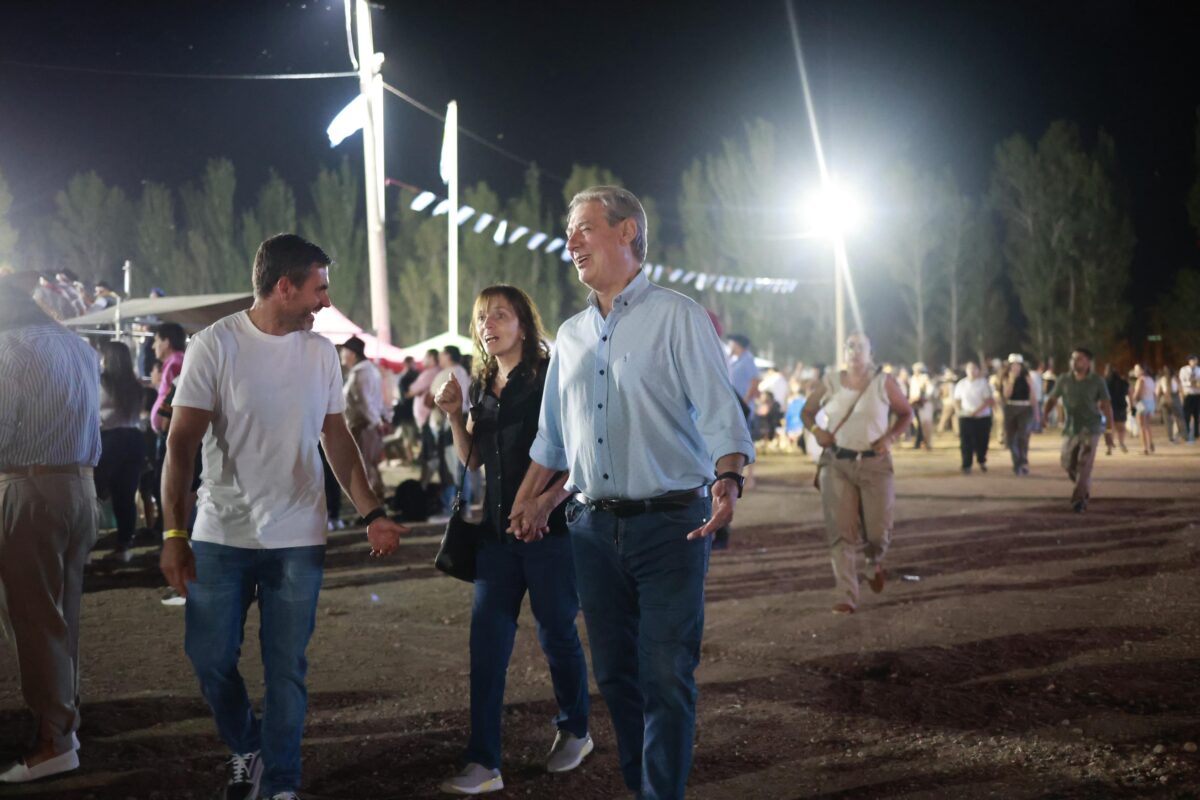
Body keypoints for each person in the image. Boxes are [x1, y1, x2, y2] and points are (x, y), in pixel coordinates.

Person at [507, 186, 753, 800]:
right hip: (591, 532)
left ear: (627, 233)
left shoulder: (678, 316)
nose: (571, 241)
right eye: (569, 231)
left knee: (666, 673)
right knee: (617, 676)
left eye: (584, 227)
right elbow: (553, 440)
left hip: (672, 526)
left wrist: (728, 477)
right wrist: (529, 501)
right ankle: (643, 785)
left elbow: (721, 412)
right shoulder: (570, 336)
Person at [158, 234, 408, 800]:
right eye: (320, 289)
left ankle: (282, 783)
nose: (326, 301)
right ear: (285, 287)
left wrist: (372, 511)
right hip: (221, 533)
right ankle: (247, 746)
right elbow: (181, 444)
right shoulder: (214, 345)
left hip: (297, 536)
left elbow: (336, 437)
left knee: (286, 668)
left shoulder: (320, 354)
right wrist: (174, 533)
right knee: (209, 658)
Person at [434, 285, 592, 795]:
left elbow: (577, 452)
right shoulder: (483, 384)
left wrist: (543, 503)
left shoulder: (550, 376)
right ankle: (483, 761)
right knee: (486, 646)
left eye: (500, 315)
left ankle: (575, 729)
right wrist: (454, 415)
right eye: (482, 317)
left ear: (523, 325)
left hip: (550, 531)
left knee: (556, 633)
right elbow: (475, 459)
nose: (488, 325)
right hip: (496, 539)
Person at [0, 271, 101, 783]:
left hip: (30, 489)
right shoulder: (78, 346)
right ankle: (65, 725)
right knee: (62, 619)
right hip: (80, 488)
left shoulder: (8, 349)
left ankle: (54, 742)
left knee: (35, 621)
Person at [801, 332, 913, 614]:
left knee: (878, 531)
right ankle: (846, 594)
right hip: (836, 463)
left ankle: (874, 561)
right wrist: (816, 431)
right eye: (850, 346)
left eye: (861, 346)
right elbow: (807, 412)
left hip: (875, 465)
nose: (855, 351)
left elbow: (906, 413)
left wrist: (889, 438)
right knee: (841, 531)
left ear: (870, 352)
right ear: (844, 351)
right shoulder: (830, 382)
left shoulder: (883, 382)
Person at [1042, 347, 1114, 513]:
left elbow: (1106, 405)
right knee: (1067, 462)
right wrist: (1045, 415)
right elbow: (1052, 399)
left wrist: (1109, 432)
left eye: (1080, 359)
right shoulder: (1064, 379)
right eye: (1073, 359)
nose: (1075, 362)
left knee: (1085, 464)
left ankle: (1079, 500)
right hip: (1071, 428)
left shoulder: (1097, 381)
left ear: (1088, 362)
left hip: (1091, 428)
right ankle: (1084, 484)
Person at [94, 341, 148, 563]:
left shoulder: (100, 381)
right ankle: (124, 547)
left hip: (109, 440)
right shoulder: (136, 385)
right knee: (125, 496)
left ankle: (86, 548)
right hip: (134, 440)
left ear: (108, 358)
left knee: (95, 494)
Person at [339, 335, 388, 500]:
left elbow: (364, 403)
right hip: (370, 425)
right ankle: (376, 500)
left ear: (352, 354)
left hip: (364, 426)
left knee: (365, 466)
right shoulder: (369, 370)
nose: (341, 355)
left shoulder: (360, 373)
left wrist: (375, 423)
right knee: (369, 465)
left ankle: (371, 504)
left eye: (343, 351)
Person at [954, 361, 994, 474]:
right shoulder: (961, 384)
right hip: (966, 416)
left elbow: (988, 400)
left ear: (978, 370)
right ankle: (966, 464)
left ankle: (981, 459)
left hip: (982, 417)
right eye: (969, 369)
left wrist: (976, 412)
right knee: (966, 441)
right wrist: (959, 411)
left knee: (982, 441)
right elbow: (957, 400)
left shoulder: (983, 383)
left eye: (974, 368)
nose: (972, 371)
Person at [1001, 354, 1037, 475]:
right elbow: (1006, 395)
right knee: (1011, 438)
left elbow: (1033, 395)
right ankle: (1017, 462)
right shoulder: (1006, 377)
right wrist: (1012, 380)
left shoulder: (1027, 377)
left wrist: (1036, 412)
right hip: (1011, 407)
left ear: (1022, 366)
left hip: (1025, 408)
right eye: (1013, 365)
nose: (1016, 367)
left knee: (1023, 436)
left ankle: (1023, 462)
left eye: (1018, 365)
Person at [1103, 363, 1130, 455]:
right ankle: (1121, 443)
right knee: (1121, 428)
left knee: (1109, 428)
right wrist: (1132, 406)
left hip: (1108, 407)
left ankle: (1109, 447)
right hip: (1121, 406)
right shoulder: (1123, 382)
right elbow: (1129, 393)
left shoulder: (1104, 382)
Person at [1131, 364, 1157, 455]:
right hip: (1150, 403)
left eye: (1136, 370)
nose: (1135, 372)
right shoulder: (1150, 379)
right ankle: (1151, 443)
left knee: (1141, 426)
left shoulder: (1141, 380)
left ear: (1142, 370)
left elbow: (1138, 394)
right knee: (1147, 425)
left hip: (1142, 403)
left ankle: (1145, 448)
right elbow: (1154, 393)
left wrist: (1133, 400)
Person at [908, 363, 935, 450]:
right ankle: (921, 442)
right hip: (914, 403)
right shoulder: (912, 379)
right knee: (917, 424)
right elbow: (912, 391)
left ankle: (926, 442)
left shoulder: (925, 378)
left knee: (925, 423)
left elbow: (930, 389)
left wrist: (925, 397)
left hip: (924, 404)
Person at [1158, 365, 1185, 444]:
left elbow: (1158, 392)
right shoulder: (1176, 379)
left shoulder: (1162, 379)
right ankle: (1183, 436)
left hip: (1164, 398)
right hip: (1174, 398)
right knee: (1180, 418)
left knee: (1167, 420)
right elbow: (1181, 390)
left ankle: (1170, 437)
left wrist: (1159, 401)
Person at [1181, 355, 1200, 443]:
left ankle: (1196, 433)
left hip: (1197, 395)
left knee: (1197, 416)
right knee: (1187, 415)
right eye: (1193, 360)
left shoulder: (1199, 370)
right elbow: (1182, 382)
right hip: (1188, 395)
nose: (1194, 362)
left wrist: (1197, 384)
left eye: (1196, 360)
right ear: (1189, 361)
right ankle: (1187, 432)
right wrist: (1190, 383)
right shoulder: (1184, 370)